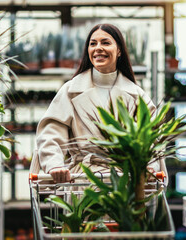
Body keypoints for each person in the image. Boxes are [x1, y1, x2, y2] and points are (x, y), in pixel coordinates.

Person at [32, 23, 167, 183]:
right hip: (83, 182)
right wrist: (54, 165)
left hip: (126, 184)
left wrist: (148, 166)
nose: (98, 48)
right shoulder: (70, 90)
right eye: (93, 44)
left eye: (105, 42)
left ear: (119, 51)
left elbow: (151, 139)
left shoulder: (137, 95)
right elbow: (51, 133)